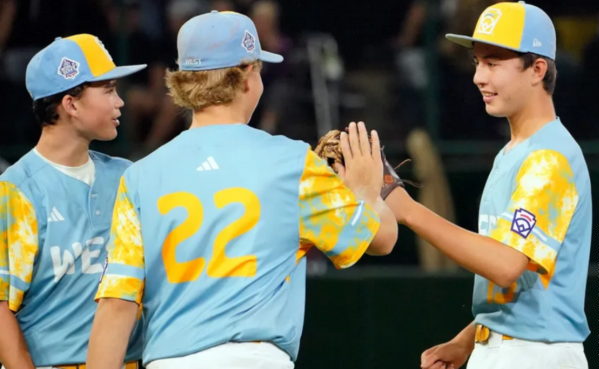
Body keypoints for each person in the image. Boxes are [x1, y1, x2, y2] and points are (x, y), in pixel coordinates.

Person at [86, 10, 398, 369]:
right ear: (248, 76)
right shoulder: (292, 162)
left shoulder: (140, 176)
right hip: (254, 358)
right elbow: (380, 239)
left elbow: (116, 305)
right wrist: (365, 191)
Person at [385, 2, 591, 368]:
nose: (479, 76)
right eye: (478, 62)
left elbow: (506, 264)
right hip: (512, 346)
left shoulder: (549, 158)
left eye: (493, 63)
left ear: (537, 69)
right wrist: (471, 338)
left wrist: (409, 211)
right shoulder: (515, 152)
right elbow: (522, 281)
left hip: (536, 352)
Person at [0, 34, 146, 369]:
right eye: (108, 89)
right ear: (71, 104)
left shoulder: (128, 177)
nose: (119, 101)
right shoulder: (17, 191)